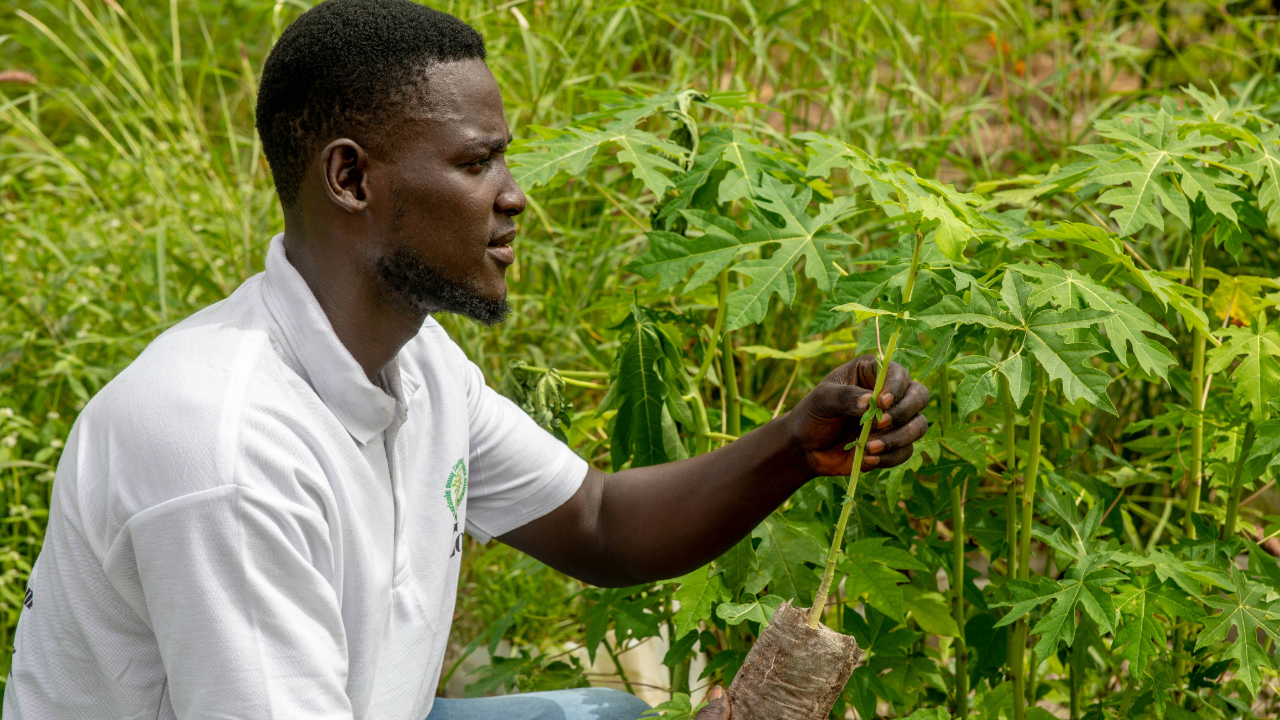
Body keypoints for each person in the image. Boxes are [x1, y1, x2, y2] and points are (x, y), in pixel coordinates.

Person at [1, 1, 929, 718]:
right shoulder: (225, 450)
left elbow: (599, 523)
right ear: (352, 178)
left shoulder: (415, 364)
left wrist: (794, 449)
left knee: (602, 712)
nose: (514, 197)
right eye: (476, 162)